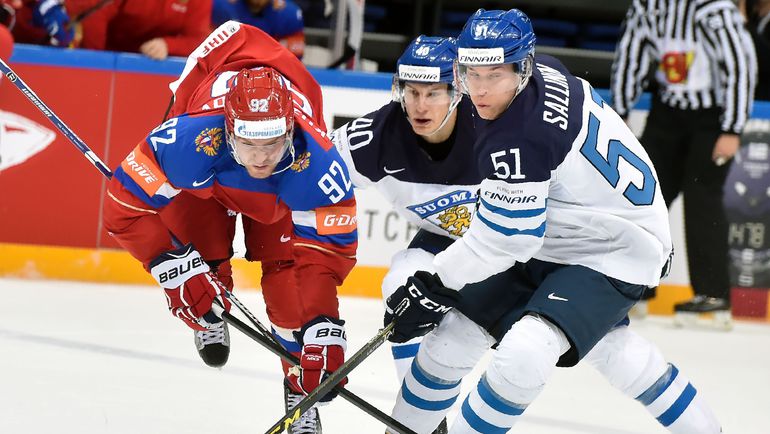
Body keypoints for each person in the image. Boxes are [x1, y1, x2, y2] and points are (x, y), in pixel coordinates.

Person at [384, 9, 722, 433]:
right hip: (564, 227)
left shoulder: (523, 135)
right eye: (471, 73)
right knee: (449, 341)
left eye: (495, 75)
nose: (482, 89)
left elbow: (508, 241)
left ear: (523, 69)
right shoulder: (542, 74)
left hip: (616, 248)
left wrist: (435, 283)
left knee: (526, 352)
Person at [102, 21, 358, 433]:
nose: (260, 158)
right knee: (201, 262)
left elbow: (325, 257)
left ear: (291, 130)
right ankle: (208, 305)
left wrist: (322, 327)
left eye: (272, 142)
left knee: (287, 280)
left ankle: (297, 387)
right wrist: (169, 266)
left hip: (276, 186)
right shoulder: (189, 140)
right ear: (227, 129)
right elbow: (122, 208)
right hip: (209, 159)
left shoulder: (318, 163)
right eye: (250, 143)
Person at [331, 34, 478, 434]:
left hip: (517, 248)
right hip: (445, 245)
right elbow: (311, 178)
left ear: (458, 90)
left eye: (432, 93)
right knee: (401, 286)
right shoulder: (377, 135)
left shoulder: (493, 125)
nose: (419, 105)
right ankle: (426, 421)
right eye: (411, 92)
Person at [611, 0, 757, 328]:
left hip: (711, 118)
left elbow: (740, 65)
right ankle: (635, 289)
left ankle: (713, 296)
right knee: (643, 197)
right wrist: (618, 113)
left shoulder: (715, 9)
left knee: (702, 199)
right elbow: (631, 55)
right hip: (667, 114)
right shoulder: (648, 7)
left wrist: (732, 128)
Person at [212, 0, 305, 58]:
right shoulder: (221, 6)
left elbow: (292, 61)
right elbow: (210, 53)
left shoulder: (289, 14)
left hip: (273, 76)